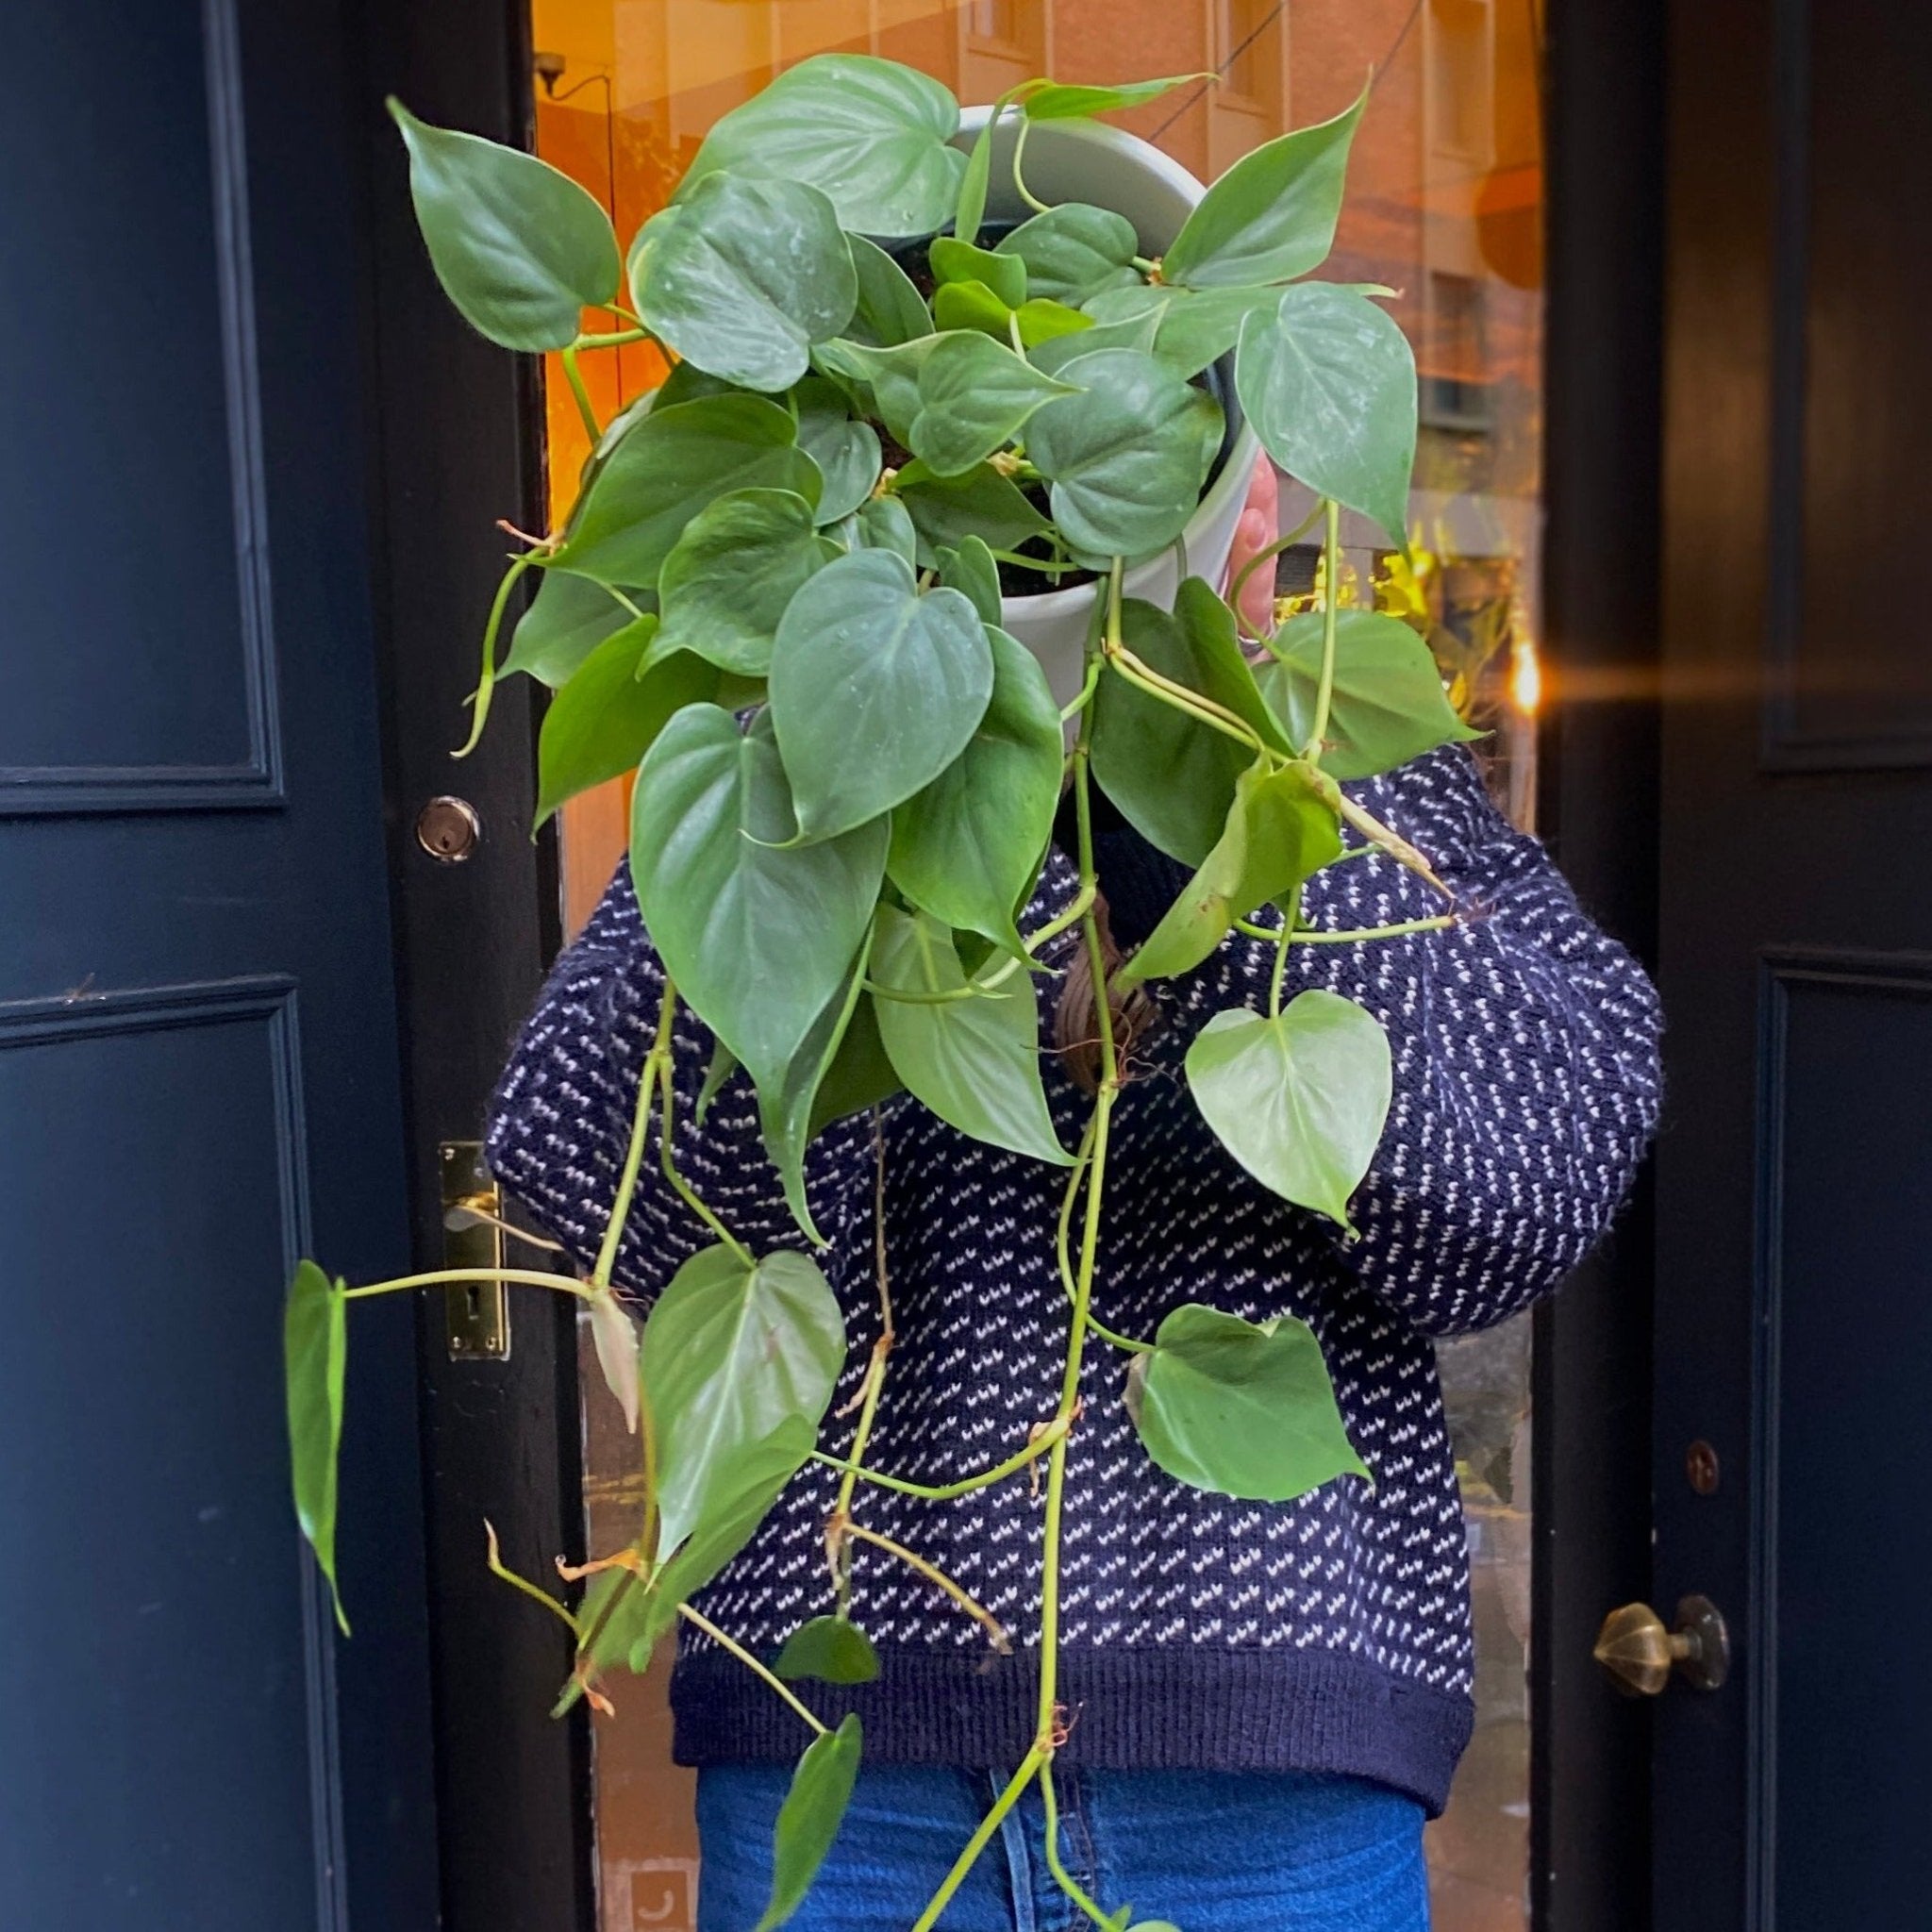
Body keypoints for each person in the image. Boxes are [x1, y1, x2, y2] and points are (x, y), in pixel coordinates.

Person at [485, 463, 1663, 1931]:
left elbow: (1514, 1205)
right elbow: (587, 1161)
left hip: (1273, 1773)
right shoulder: (800, 735)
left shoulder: (1336, 743)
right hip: (848, 1772)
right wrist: (830, 698)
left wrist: (1220, 766)